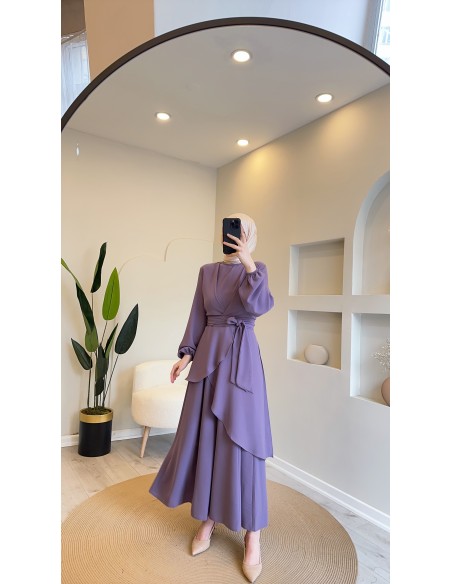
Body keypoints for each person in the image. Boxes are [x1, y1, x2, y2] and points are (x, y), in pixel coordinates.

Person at [149, 212, 274, 583]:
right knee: (207, 439)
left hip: (242, 364)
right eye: (232, 230)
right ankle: (208, 517)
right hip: (207, 362)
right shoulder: (206, 272)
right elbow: (197, 316)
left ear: (252, 236)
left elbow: (258, 306)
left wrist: (248, 261)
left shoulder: (258, 270)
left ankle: (253, 535)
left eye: (243, 231)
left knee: (243, 443)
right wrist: (185, 355)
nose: (236, 237)